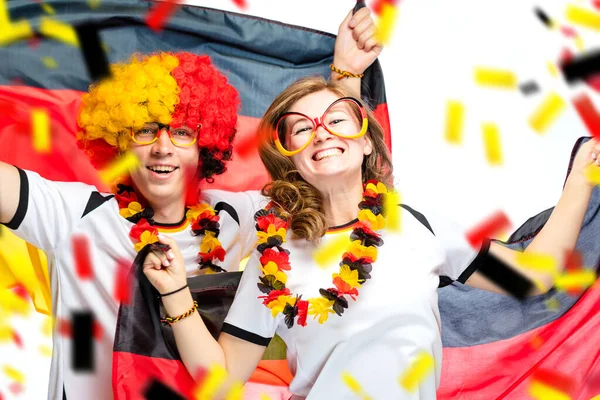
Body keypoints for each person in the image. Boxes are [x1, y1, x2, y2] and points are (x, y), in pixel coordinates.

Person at [142, 50, 600, 400]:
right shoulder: (272, 259)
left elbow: (532, 277)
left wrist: (581, 179)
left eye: (336, 120)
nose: (320, 131)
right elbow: (220, 381)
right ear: (292, 161)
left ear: (364, 145)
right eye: (300, 129)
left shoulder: (419, 228)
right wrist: (174, 293)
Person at [0, 7, 376, 397]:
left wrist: (345, 76)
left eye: (181, 132)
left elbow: (329, 181)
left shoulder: (236, 217)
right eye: (145, 130)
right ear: (121, 143)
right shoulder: (75, 214)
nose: (162, 148)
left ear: (204, 144)